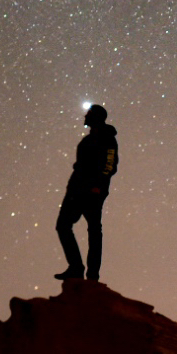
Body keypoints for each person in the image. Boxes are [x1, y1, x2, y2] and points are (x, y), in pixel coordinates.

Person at [54, 103, 119, 281]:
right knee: (64, 226)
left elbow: (110, 165)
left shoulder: (107, 138)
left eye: (89, 113)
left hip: (92, 191)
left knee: (94, 231)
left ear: (96, 116)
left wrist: (98, 185)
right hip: (76, 189)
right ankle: (76, 267)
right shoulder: (87, 140)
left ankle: (91, 275)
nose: (85, 116)